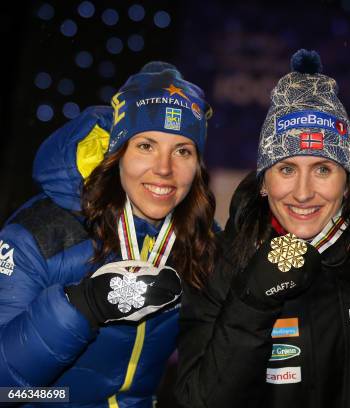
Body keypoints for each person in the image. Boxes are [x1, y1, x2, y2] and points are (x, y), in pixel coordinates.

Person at [175, 50, 350, 408]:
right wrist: (250, 303)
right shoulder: (219, 263)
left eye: (323, 169)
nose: (303, 192)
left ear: (347, 180)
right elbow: (198, 402)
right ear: (263, 181)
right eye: (286, 169)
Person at [0, 62, 216, 407]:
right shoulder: (38, 235)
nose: (164, 169)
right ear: (117, 154)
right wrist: (83, 306)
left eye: (182, 150)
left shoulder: (200, 240)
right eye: (146, 145)